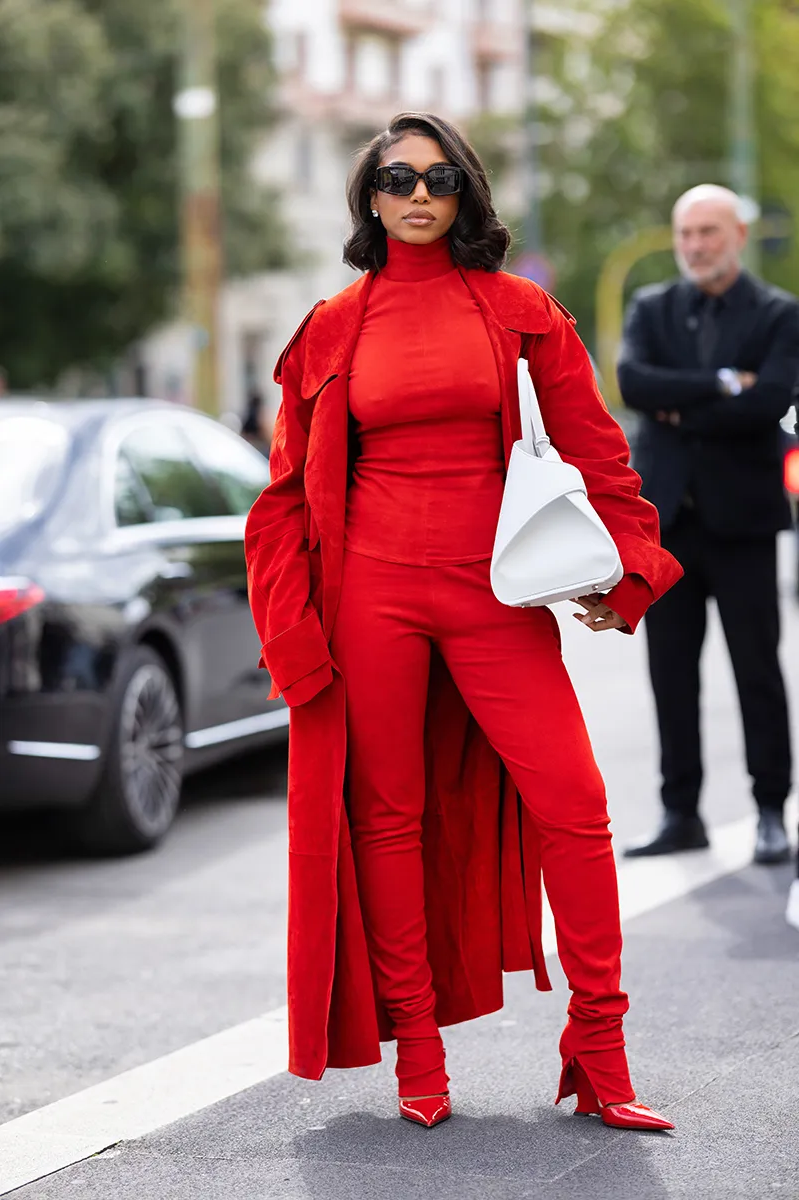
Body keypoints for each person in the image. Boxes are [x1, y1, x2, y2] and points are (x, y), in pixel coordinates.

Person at [245, 112, 682, 1131]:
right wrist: (293, 636)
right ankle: (419, 1057)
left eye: (437, 177)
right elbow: (280, 497)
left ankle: (600, 1052)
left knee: (574, 806)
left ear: (464, 192)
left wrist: (627, 576)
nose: (416, 194)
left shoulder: (518, 308)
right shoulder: (332, 324)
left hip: (493, 594)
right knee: (385, 819)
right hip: (372, 598)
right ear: (368, 196)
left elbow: (597, 450)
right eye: (396, 177)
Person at [618, 185, 797, 864]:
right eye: (686, 233)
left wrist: (683, 402)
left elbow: (773, 400)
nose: (695, 245)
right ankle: (679, 812)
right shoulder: (651, 306)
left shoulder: (779, 314)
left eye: (709, 232)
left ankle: (772, 811)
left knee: (758, 673)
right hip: (667, 526)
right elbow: (635, 383)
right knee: (670, 674)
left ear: (739, 236)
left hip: (745, 523)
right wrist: (726, 384)